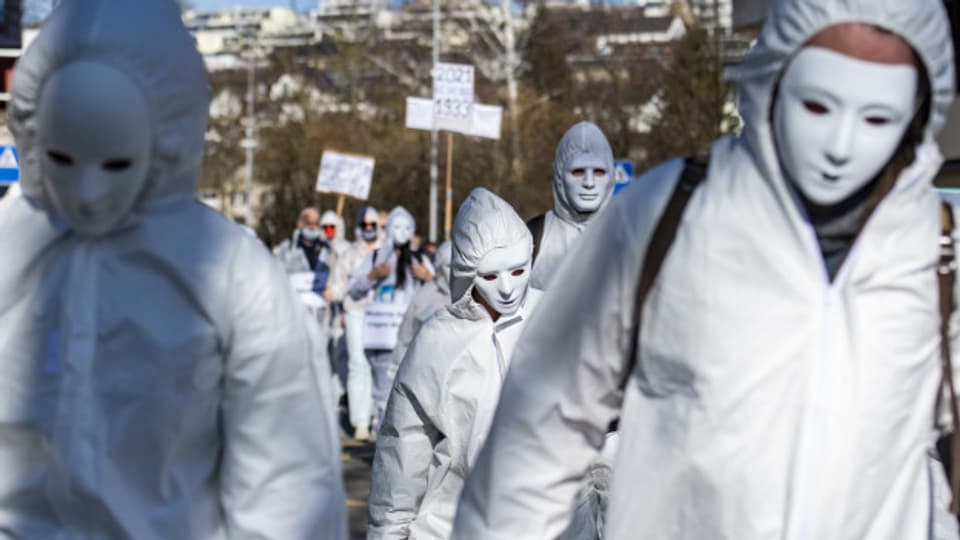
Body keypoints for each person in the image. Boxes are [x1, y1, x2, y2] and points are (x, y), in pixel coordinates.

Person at [452, 1, 958, 539]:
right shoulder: (666, 220)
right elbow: (538, 435)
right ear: (774, 84)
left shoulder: (933, 247)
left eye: (878, 115)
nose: (841, 145)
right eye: (817, 106)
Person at [0, 0, 347, 537]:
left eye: (114, 162)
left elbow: (287, 481)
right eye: (64, 158)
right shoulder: (9, 246)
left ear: (163, 137)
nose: (89, 194)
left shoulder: (231, 275)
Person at [368, 188, 540, 539]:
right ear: (466, 270)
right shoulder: (438, 341)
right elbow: (404, 444)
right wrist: (388, 531)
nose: (507, 288)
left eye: (518, 270)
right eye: (490, 276)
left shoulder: (559, 317)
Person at [349, 206, 434, 426]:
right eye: (396, 226)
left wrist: (428, 276)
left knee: (411, 393)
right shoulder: (376, 256)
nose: (401, 232)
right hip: (383, 336)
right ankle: (383, 444)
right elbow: (354, 290)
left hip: (411, 336)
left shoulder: (419, 259)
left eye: (406, 227)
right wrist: (373, 275)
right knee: (383, 395)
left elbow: (440, 290)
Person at [527, 121, 615, 290]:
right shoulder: (531, 237)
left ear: (610, 176)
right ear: (559, 175)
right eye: (578, 171)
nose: (589, 183)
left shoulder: (632, 233)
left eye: (598, 172)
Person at [388, 240, 454, 380]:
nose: (456, 272)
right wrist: (396, 372)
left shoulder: (479, 295)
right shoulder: (424, 296)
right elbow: (406, 337)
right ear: (439, 267)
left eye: (461, 266)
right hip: (428, 374)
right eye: (450, 266)